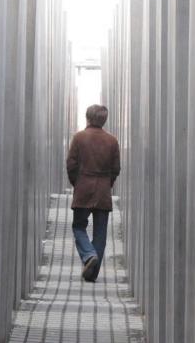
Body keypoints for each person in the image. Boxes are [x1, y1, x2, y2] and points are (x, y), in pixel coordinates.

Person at [66, 105, 121, 282]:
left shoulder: (79, 137)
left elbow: (71, 165)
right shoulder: (112, 141)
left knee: (78, 226)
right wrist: (107, 184)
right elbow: (116, 168)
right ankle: (92, 273)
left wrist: (78, 183)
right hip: (103, 190)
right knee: (100, 233)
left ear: (87, 118)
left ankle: (89, 254)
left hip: (83, 186)